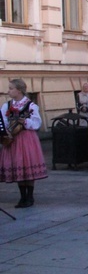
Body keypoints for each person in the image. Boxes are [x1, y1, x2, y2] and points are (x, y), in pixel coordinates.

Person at [0, 79, 48, 208]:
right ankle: (22, 197)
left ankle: (30, 196)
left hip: (26, 138)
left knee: (27, 165)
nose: (8, 91)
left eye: (11, 88)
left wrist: (25, 122)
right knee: (17, 166)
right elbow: (3, 121)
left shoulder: (31, 106)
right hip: (12, 139)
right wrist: (6, 132)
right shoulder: (7, 105)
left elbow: (37, 123)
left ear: (19, 90)